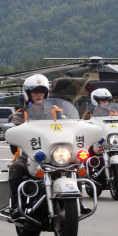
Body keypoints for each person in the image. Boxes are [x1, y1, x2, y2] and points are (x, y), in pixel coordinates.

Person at [7, 74, 90, 218]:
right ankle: (16, 206)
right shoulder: (22, 114)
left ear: (46, 93)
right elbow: (14, 129)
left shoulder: (56, 112)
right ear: (28, 94)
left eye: (42, 91)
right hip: (31, 155)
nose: (39, 94)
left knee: (77, 166)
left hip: (57, 153)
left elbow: (71, 124)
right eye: (35, 91)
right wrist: (11, 134)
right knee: (15, 168)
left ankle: (79, 202)